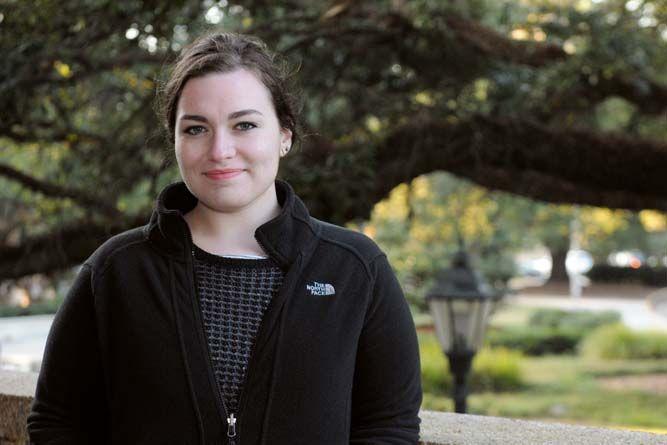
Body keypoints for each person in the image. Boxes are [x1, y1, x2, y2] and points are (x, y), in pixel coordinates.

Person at [27, 32, 422, 444]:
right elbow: (57, 421)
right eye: (196, 129)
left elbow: (389, 426)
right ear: (175, 141)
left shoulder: (356, 269)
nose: (220, 150)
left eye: (245, 125)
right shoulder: (116, 271)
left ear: (284, 135)